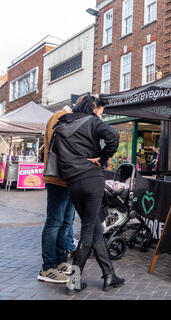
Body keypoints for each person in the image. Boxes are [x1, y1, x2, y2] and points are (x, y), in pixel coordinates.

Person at [53, 96, 124, 295]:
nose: (101, 114)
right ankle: (74, 281)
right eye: (101, 111)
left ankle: (109, 276)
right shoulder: (92, 121)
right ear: (94, 108)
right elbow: (113, 135)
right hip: (91, 180)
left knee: (93, 229)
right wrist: (102, 158)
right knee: (87, 231)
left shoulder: (62, 125)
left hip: (73, 184)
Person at [38, 105, 77, 284]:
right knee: (54, 222)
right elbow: (60, 145)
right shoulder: (60, 117)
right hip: (58, 178)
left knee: (66, 223)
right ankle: (47, 267)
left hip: (68, 179)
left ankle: (60, 261)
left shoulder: (69, 118)